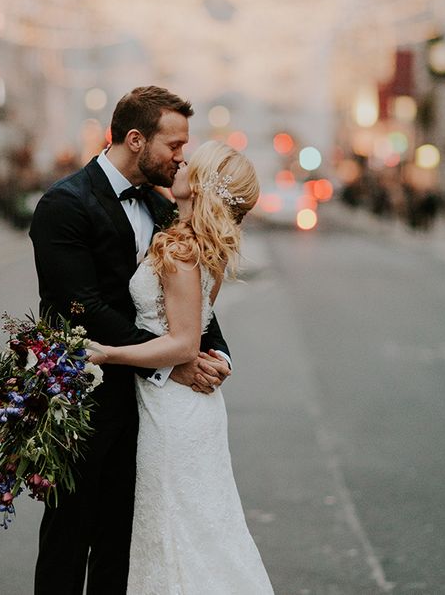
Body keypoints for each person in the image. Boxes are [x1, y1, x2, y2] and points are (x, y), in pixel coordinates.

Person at [29, 86, 232, 594]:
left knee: (123, 542)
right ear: (136, 139)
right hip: (86, 401)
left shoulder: (164, 207)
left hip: (150, 410)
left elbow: (189, 298)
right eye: (175, 145)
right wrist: (172, 362)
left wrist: (215, 351)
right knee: (69, 536)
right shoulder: (64, 204)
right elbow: (84, 310)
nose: (182, 156)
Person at [88, 141, 274, 594]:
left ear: (204, 184)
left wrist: (109, 353)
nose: (181, 162)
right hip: (182, 407)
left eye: (193, 162)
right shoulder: (199, 244)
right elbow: (193, 334)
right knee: (195, 528)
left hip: (174, 412)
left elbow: (184, 343)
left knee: (180, 528)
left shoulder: (183, 248)